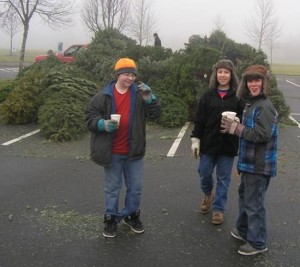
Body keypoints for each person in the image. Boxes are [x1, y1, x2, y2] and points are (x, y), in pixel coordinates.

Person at [85, 58, 161, 238]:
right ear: (118, 74)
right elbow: (89, 117)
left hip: (134, 151)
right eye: (127, 74)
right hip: (112, 152)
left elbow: (156, 114)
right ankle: (110, 218)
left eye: (133, 74)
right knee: (112, 188)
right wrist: (102, 124)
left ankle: (131, 215)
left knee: (135, 187)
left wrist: (151, 99)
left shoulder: (139, 94)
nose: (130, 78)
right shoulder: (104, 96)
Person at [220, 65, 278, 256]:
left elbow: (262, 135)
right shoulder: (251, 103)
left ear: (264, 83)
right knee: (245, 197)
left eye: (257, 80)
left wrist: (237, 128)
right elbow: (248, 131)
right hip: (248, 162)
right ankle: (244, 230)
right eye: (250, 80)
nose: (253, 84)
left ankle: (258, 242)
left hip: (258, 165)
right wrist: (235, 127)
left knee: (254, 203)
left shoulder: (265, 106)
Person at [190, 59, 244, 225]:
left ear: (231, 75)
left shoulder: (237, 97)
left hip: (228, 145)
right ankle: (208, 194)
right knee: (204, 172)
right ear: (215, 74)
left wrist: (237, 120)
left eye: (226, 72)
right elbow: (199, 120)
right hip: (209, 143)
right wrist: (195, 139)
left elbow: (244, 119)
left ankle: (219, 209)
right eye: (220, 72)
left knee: (224, 178)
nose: (223, 75)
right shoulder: (208, 95)